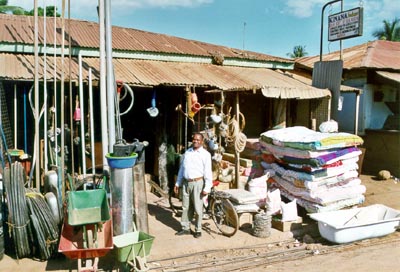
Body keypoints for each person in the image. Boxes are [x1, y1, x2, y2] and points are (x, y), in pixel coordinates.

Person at [174, 132, 213, 238]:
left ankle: (198, 229)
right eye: (194, 139)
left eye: (198, 140)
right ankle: (185, 228)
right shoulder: (188, 152)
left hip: (198, 183)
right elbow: (182, 169)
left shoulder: (205, 155)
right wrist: (178, 182)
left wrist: (207, 187)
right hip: (187, 183)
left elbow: (208, 172)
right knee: (186, 206)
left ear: (202, 141)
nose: (195, 141)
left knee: (197, 207)